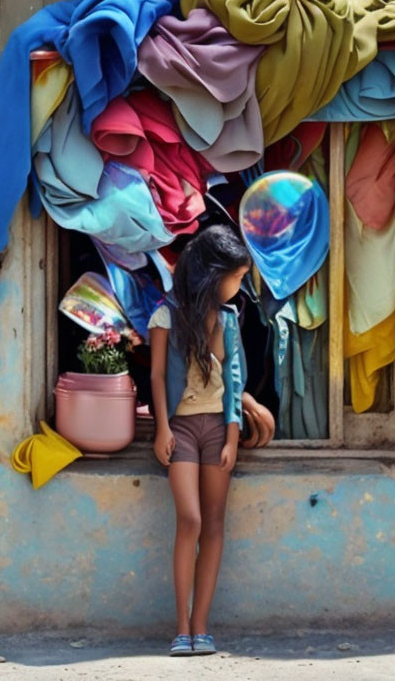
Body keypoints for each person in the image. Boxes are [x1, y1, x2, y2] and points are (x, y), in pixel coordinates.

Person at [148, 224, 250, 657]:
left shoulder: (228, 321)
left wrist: (232, 436)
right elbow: (154, 375)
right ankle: (182, 626)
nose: (240, 286)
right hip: (183, 429)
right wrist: (162, 428)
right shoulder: (166, 316)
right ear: (214, 273)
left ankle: (202, 627)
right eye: (238, 277)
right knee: (188, 520)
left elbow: (234, 378)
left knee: (214, 525)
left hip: (217, 430)